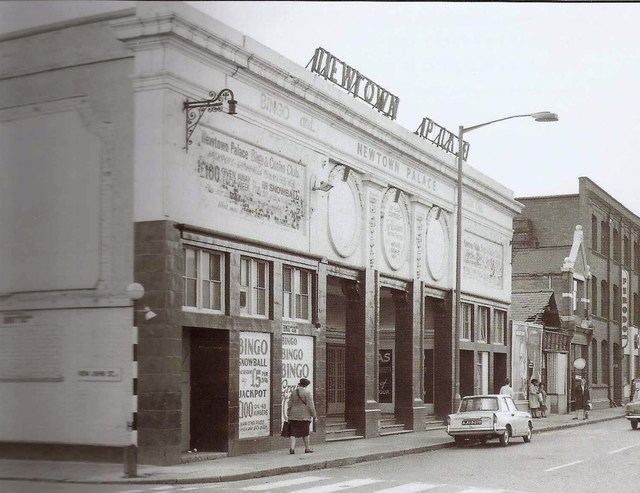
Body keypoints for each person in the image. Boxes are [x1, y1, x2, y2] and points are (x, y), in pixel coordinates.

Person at [285, 377, 317, 454]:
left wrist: (288, 413)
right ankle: (307, 448)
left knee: (293, 433)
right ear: (306, 385)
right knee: (305, 432)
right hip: (304, 415)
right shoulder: (307, 393)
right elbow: (311, 405)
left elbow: (289, 404)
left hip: (293, 415)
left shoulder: (293, 392)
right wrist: (314, 416)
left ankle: (292, 448)